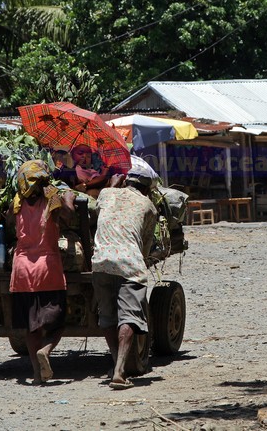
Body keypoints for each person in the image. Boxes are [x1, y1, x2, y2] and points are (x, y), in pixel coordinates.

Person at [91, 166, 158, 390]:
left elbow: (100, 211)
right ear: (147, 189)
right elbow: (146, 247)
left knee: (108, 316)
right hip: (130, 264)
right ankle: (120, 370)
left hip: (100, 262)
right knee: (128, 316)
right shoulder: (148, 206)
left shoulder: (105, 193)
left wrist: (112, 186)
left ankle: (115, 363)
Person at [10, 160, 76, 384]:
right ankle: (46, 350)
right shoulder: (51, 200)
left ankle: (37, 375)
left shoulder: (16, 202)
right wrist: (60, 195)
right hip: (47, 269)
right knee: (58, 322)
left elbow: (9, 222)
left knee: (31, 326)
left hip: (21, 270)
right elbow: (69, 215)